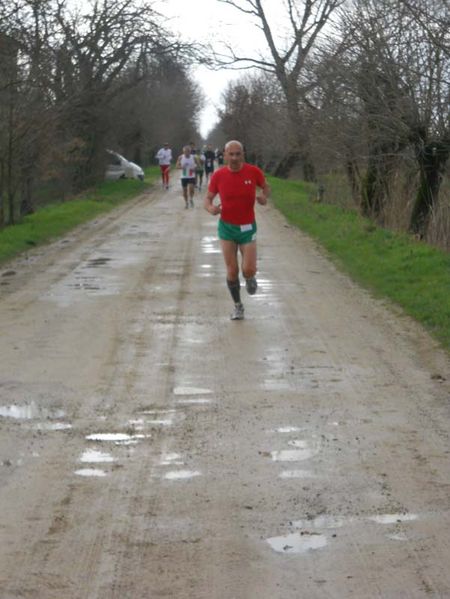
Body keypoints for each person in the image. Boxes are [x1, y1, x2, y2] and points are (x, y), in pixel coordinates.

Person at [204, 140, 269, 320]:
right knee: (232, 271)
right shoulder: (218, 176)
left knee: (248, 268)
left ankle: (250, 277)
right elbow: (207, 199)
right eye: (230, 154)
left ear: (243, 154)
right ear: (224, 155)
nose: (234, 158)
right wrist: (211, 209)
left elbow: (265, 186)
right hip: (227, 228)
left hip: (248, 227)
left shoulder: (253, 172)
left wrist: (263, 197)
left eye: (237, 154)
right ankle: (238, 306)